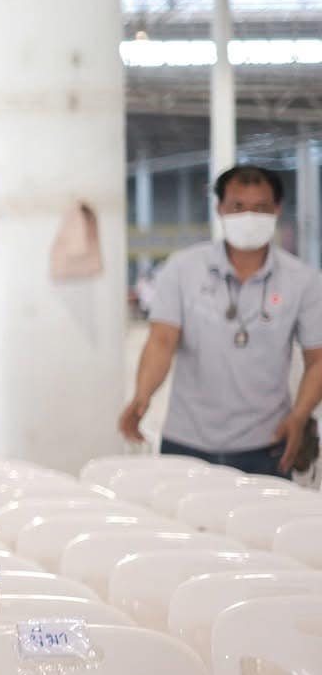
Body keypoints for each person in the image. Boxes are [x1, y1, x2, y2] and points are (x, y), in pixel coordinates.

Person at [120, 164, 322, 475]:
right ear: (220, 209)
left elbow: (318, 358)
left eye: (261, 207)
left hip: (267, 444)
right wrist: (142, 396)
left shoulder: (303, 281)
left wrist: (299, 415)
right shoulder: (183, 269)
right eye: (238, 206)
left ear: (277, 210)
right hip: (186, 442)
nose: (249, 217)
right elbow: (161, 341)